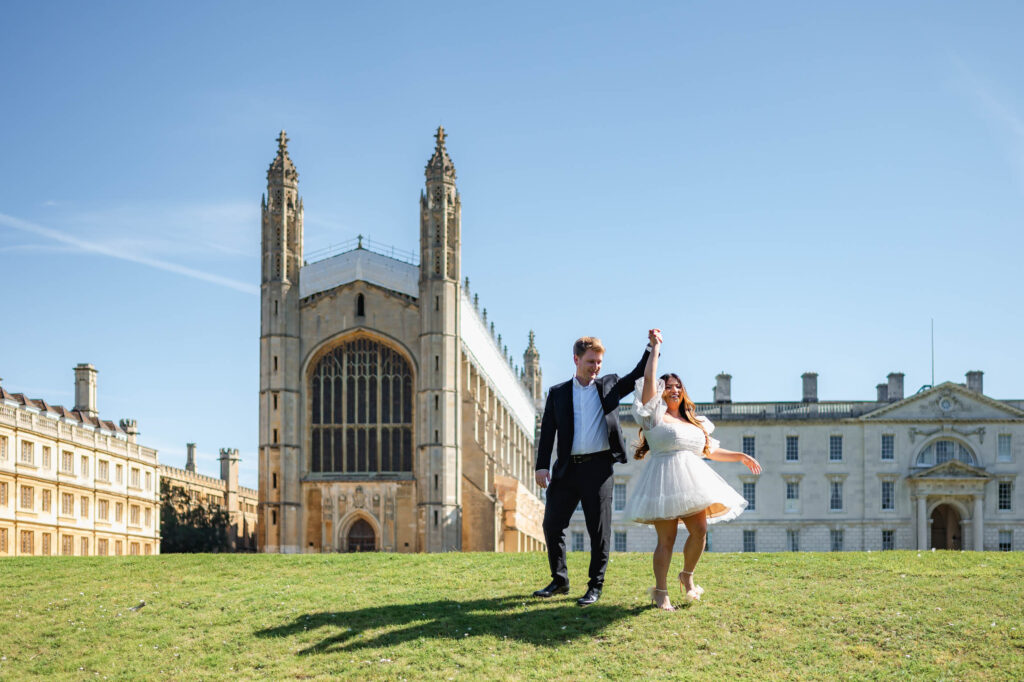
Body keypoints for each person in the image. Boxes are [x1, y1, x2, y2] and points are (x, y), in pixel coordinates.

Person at [624, 329, 761, 610]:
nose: (674, 389)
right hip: (663, 480)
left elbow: (709, 450)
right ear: (661, 392)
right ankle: (661, 591)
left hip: (692, 480)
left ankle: (687, 576)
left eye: (678, 385)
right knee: (668, 538)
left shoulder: (695, 422)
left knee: (699, 531)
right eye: (668, 386)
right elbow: (650, 379)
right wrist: (654, 349)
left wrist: (740, 456)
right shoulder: (653, 417)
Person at [532, 334, 653, 606]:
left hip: (598, 469)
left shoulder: (608, 387)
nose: (595, 367)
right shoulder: (558, 393)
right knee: (552, 525)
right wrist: (541, 466)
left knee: (599, 530)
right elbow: (547, 431)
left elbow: (637, 375)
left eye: (599, 362)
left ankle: (594, 586)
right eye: (590, 361)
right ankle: (559, 580)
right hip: (566, 470)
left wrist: (651, 348)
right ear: (576, 359)